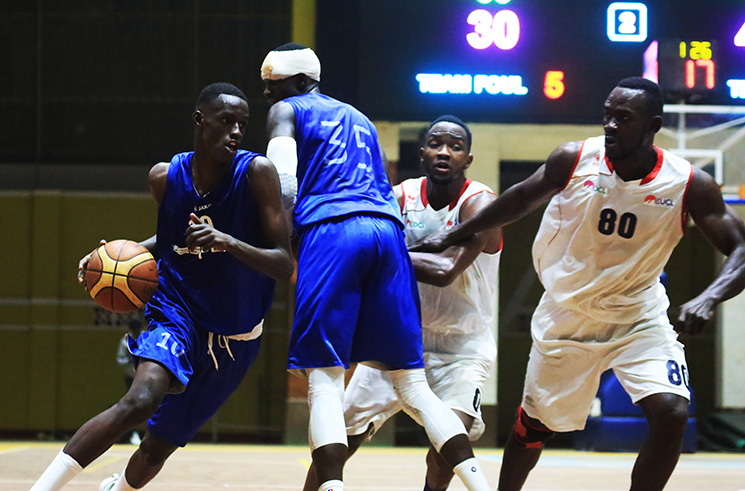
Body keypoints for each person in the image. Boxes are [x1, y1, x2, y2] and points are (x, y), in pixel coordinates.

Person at [411, 77, 745, 491]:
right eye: (607, 115)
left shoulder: (688, 183)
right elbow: (519, 199)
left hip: (638, 315)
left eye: (623, 118)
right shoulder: (574, 158)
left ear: (653, 125)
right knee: (534, 428)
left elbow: (740, 249)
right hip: (567, 313)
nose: (610, 125)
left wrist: (709, 298)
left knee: (673, 413)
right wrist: (453, 234)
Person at [27, 82, 293, 491]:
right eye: (226, 121)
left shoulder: (256, 173)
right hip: (178, 310)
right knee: (138, 402)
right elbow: (170, 242)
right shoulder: (165, 178)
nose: (237, 132)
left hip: (235, 335)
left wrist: (227, 241)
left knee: (156, 449)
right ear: (199, 120)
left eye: (242, 123)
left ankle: (118, 488)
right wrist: (113, 258)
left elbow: (283, 262)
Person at [261, 43, 492, 491]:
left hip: (332, 231)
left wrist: (281, 238)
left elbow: (282, 179)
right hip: (387, 235)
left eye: (275, 86)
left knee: (325, 380)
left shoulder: (287, 110)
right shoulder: (361, 119)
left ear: (302, 83)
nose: (269, 95)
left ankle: (332, 487)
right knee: (413, 387)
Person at [301, 115, 502, 491]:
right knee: (336, 441)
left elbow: (444, 270)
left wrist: (382, 253)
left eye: (455, 146)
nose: (445, 152)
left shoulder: (480, 204)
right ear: (422, 153)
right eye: (436, 144)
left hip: (461, 347)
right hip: (398, 338)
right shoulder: (399, 197)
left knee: (445, 451)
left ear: (468, 159)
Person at [117, 320, 146, 445]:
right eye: (134, 331)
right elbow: (119, 361)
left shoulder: (146, 338)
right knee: (134, 406)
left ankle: (152, 432)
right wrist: (129, 359)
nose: (136, 332)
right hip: (132, 377)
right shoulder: (125, 341)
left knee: (152, 404)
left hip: (147, 376)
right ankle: (134, 433)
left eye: (138, 330)